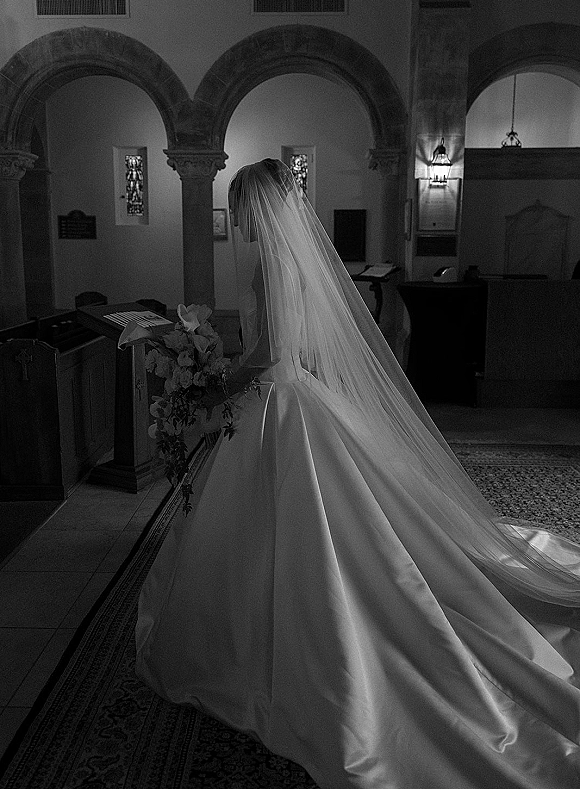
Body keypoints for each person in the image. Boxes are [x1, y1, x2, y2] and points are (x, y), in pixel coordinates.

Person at [135, 158, 580, 789]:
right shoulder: (296, 260)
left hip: (276, 397)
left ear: (255, 208)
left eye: (239, 208)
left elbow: (271, 351)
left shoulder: (268, 263)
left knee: (296, 523)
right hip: (298, 396)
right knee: (330, 518)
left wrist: (215, 383)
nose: (238, 222)